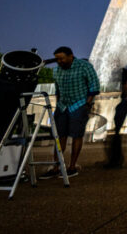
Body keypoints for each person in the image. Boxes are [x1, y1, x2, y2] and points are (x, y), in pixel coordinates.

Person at [39, 46, 100, 179]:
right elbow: (58, 89)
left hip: (79, 104)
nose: (59, 61)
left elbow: (94, 85)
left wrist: (87, 104)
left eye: (61, 58)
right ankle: (57, 166)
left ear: (71, 56)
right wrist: (57, 103)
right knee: (59, 136)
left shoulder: (84, 66)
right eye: (57, 59)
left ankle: (72, 167)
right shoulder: (56, 70)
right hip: (62, 106)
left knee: (76, 135)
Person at [105, 68, 127, 168]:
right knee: (116, 133)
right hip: (122, 103)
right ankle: (116, 159)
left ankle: (116, 159)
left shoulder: (122, 72)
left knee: (116, 133)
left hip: (122, 103)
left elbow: (126, 85)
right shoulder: (122, 72)